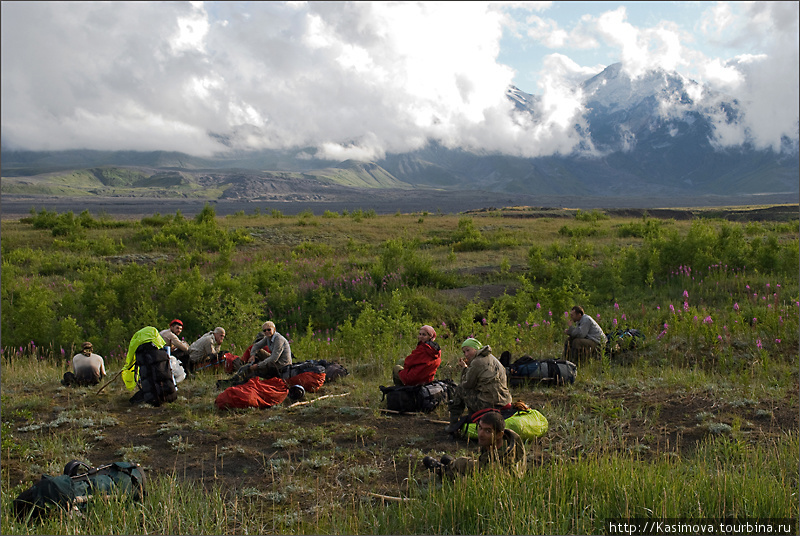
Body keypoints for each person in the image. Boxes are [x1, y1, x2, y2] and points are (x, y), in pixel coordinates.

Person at [424, 410, 526, 476]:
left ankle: (444, 470)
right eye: (480, 428)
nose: (481, 434)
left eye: (487, 431)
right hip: (488, 466)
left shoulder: (499, 466)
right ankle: (452, 465)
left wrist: (461, 465)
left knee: (461, 465)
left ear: (500, 434)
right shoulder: (506, 441)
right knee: (461, 462)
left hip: (493, 479)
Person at [445, 338, 512, 434]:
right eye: (464, 352)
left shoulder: (477, 362)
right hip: (504, 399)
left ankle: (453, 424)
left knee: (460, 389)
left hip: (489, 403)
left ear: (475, 348)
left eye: (468, 350)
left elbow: (467, 384)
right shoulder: (492, 358)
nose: (466, 354)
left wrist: (464, 369)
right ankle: (472, 416)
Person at [216, 321, 291, 389]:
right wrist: (252, 355)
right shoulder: (268, 338)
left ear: (274, 329)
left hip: (282, 365)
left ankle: (238, 381)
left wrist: (258, 366)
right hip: (274, 361)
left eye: (269, 329)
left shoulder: (279, 339)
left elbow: (274, 358)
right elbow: (256, 346)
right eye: (264, 330)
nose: (267, 332)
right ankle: (232, 380)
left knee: (252, 369)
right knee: (255, 356)